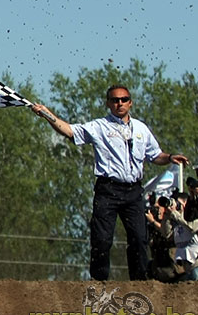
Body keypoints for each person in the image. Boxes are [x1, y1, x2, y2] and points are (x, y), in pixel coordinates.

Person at [31, 85, 188, 281]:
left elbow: (155, 155)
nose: (119, 103)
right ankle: (99, 282)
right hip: (108, 189)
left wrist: (170, 157)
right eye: (115, 100)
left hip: (133, 191)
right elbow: (70, 131)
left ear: (130, 102)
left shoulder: (141, 128)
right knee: (102, 239)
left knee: (139, 238)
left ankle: (139, 283)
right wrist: (47, 114)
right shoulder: (99, 126)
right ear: (108, 103)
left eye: (123, 99)